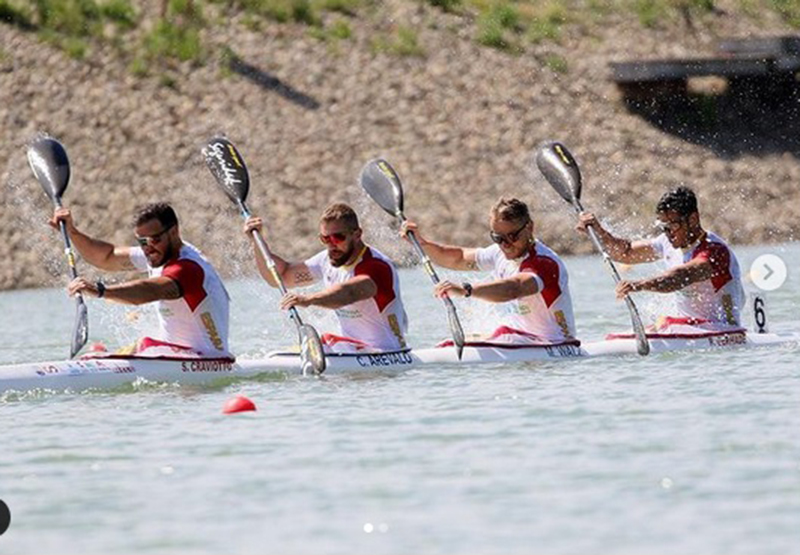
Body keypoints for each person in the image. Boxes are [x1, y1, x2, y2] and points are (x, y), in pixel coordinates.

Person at [50, 202, 231, 357]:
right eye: (142, 241)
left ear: (174, 232)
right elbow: (106, 256)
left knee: (144, 344)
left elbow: (149, 291)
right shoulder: (159, 253)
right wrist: (72, 232)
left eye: (154, 239)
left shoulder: (188, 268)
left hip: (206, 361)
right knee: (111, 352)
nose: (147, 248)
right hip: (174, 356)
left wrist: (100, 291)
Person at [401, 197, 578, 346]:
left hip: (555, 343)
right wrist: (422, 244)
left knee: (497, 334)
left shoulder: (544, 263)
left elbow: (514, 288)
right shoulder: (498, 252)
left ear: (529, 227)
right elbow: (459, 257)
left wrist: (466, 290)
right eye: (498, 238)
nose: (505, 245)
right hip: (521, 339)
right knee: (446, 345)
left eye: (512, 236)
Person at [576, 186, 745, 332]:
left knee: (664, 323)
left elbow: (679, 276)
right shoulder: (666, 242)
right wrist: (598, 232)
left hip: (724, 330)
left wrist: (639, 285)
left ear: (693, 219)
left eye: (673, 226)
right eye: (664, 227)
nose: (668, 233)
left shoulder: (715, 251)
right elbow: (625, 253)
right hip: (690, 329)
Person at [244, 202, 408, 353]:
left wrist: (309, 299)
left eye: (338, 237)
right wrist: (257, 243)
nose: (331, 244)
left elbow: (350, 292)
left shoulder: (376, 266)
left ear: (357, 234)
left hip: (385, 352)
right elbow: (280, 277)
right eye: (325, 238)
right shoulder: (326, 260)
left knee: (325, 341)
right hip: (352, 351)